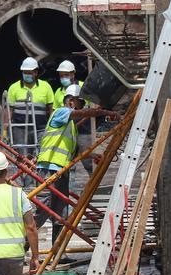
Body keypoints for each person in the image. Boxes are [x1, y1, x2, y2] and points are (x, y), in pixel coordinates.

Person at [34, 84, 116, 245]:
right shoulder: (60, 112)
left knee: (61, 213)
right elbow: (83, 113)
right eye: (81, 102)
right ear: (71, 101)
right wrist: (101, 112)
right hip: (49, 168)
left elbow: (73, 149)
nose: (83, 107)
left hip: (62, 171)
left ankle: (57, 250)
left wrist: (91, 155)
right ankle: (23, 244)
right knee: (43, 210)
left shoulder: (70, 126)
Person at [3, 57, 56, 161]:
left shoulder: (46, 87)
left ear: (36, 72)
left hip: (41, 128)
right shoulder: (14, 87)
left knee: (41, 156)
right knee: (22, 157)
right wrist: (5, 129)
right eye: (24, 72)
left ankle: (37, 176)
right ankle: (24, 177)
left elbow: (51, 109)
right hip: (20, 129)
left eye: (29, 72)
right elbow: (9, 109)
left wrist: (52, 127)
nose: (26, 75)